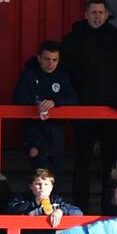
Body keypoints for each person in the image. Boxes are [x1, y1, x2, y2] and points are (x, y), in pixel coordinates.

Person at [61, 0, 117, 211]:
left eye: (101, 12)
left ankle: (109, 209)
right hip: (83, 109)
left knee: (111, 163)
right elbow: (65, 73)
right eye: (93, 12)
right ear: (86, 14)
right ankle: (79, 208)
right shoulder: (74, 39)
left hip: (111, 111)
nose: (97, 16)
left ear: (107, 14)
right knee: (83, 162)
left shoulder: (116, 39)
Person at [13, 41, 78, 178]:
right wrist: (36, 103)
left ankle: (52, 200)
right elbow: (18, 97)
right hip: (34, 131)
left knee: (55, 175)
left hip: (56, 134)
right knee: (39, 174)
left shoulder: (63, 76)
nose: (50, 63)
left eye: (54, 60)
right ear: (39, 58)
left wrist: (56, 102)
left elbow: (73, 99)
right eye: (47, 59)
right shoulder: (29, 74)